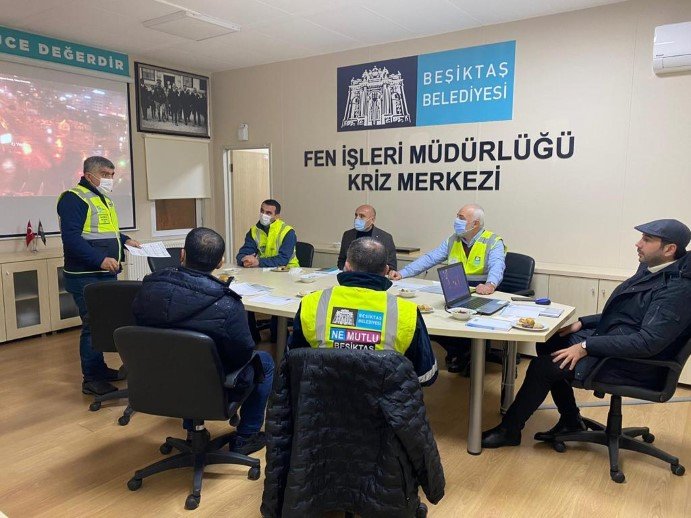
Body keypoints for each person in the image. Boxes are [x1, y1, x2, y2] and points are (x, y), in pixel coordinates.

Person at [481, 219, 691, 449]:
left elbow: (647, 342)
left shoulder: (677, 288)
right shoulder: (653, 269)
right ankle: (570, 419)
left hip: (638, 364)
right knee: (551, 342)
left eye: (647, 240)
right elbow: (624, 314)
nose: (638, 244)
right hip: (619, 343)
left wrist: (585, 347)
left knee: (542, 367)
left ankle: (509, 431)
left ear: (669, 249)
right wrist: (582, 323)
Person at [132, 227, 274, 455]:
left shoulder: (149, 287)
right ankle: (246, 437)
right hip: (209, 385)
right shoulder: (227, 304)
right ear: (220, 262)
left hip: (157, 379)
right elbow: (243, 353)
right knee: (264, 362)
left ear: (182, 254)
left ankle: (192, 431)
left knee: (185, 355)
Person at [290, 237, 438, 386]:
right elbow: (426, 376)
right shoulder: (407, 312)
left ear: (346, 266)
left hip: (320, 396)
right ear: (386, 270)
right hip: (385, 399)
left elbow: (294, 361)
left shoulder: (312, 303)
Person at [389, 204, 506, 374]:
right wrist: (402, 273)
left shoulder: (492, 241)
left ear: (475, 224)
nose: (456, 221)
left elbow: (497, 265)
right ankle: (460, 352)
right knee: (433, 319)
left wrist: (490, 284)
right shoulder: (453, 240)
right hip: (456, 290)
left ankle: (466, 353)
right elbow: (430, 258)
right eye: (457, 216)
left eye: (461, 218)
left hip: (481, 291)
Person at [57, 156, 141, 396]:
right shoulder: (73, 198)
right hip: (86, 275)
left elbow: (105, 232)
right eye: (105, 174)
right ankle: (91, 379)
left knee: (104, 323)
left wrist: (125, 240)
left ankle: (100, 369)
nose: (110, 179)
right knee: (92, 325)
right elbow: (71, 239)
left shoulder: (102, 198)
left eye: (112, 175)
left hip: (104, 274)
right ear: (89, 175)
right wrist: (100, 259)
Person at [236, 199, 299, 268]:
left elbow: (283, 259)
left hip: (288, 270)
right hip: (264, 271)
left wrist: (259, 262)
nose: (263, 215)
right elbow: (243, 253)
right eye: (262, 211)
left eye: (268, 213)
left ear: (277, 216)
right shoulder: (254, 231)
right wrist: (245, 260)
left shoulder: (287, 232)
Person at [337, 204, 397, 271]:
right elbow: (341, 261)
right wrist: (346, 269)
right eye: (356, 215)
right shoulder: (348, 235)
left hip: (374, 275)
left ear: (372, 220)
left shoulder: (385, 237)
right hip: (351, 275)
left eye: (362, 216)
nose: (357, 219)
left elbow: (392, 266)